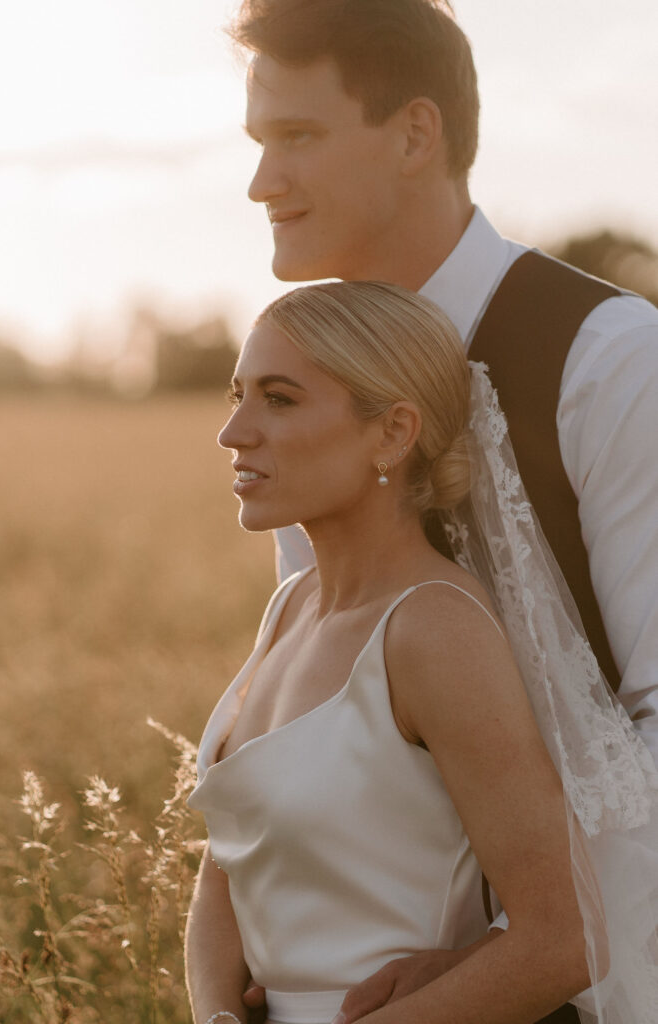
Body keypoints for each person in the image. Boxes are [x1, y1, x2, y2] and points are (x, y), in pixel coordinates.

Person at [222, 3, 658, 1017]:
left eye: (297, 138)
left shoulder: (609, 358)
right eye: (258, 141)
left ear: (415, 134)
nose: (260, 183)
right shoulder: (305, 394)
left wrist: (503, 956)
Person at [184, 281, 658, 1024]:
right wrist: (214, 1011)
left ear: (392, 433)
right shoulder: (290, 608)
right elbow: (224, 869)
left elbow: (567, 939)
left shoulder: (432, 631)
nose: (233, 432)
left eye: (277, 399)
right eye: (235, 394)